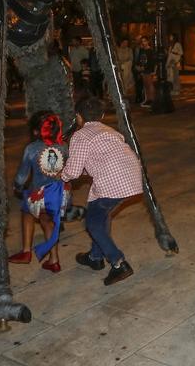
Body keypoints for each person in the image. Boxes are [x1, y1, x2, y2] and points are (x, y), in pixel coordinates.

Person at [60, 97, 141, 286]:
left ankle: (119, 263)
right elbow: (100, 160)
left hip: (112, 184)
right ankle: (95, 257)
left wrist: (60, 177)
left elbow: (72, 171)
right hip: (132, 178)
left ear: (78, 117)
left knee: (93, 223)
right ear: (102, 115)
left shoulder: (80, 136)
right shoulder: (110, 131)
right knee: (101, 216)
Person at [9, 112, 71, 273]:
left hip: (42, 196)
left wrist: (17, 186)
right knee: (43, 219)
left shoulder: (32, 149)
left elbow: (22, 176)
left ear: (36, 131)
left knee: (30, 212)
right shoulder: (64, 146)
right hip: (61, 196)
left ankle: (27, 252)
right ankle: (52, 259)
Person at [135, 36, 156, 108]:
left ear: (148, 41)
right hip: (143, 69)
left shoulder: (150, 50)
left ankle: (152, 100)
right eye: (142, 41)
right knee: (145, 85)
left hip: (148, 69)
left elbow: (151, 61)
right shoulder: (142, 50)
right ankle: (148, 99)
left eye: (145, 41)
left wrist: (151, 69)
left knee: (150, 84)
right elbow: (139, 59)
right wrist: (138, 66)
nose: (143, 43)